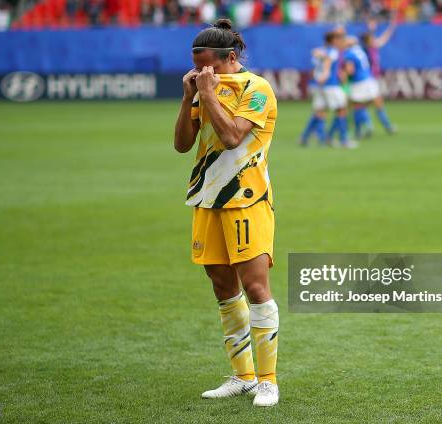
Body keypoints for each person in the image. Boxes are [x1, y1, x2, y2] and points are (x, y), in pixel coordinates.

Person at [173, 18, 280, 407]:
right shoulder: (205, 88)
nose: (202, 73)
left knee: (255, 288)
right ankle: (242, 376)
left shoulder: (257, 89)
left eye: (209, 66)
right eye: (197, 66)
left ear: (230, 57)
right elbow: (183, 145)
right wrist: (189, 99)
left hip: (248, 199)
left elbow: (234, 135)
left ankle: (268, 381)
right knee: (223, 290)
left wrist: (209, 94)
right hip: (207, 199)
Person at [300, 30, 355, 148]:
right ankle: (344, 140)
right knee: (341, 110)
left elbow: (313, 69)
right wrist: (325, 75)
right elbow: (328, 64)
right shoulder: (333, 52)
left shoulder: (320, 51)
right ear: (334, 40)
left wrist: (318, 78)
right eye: (339, 39)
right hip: (331, 85)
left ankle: (305, 138)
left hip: (319, 86)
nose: (341, 41)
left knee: (319, 112)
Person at [337, 34, 394, 139]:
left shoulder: (349, 54)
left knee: (356, 106)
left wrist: (342, 74)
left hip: (359, 82)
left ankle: (359, 130)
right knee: (378, 103)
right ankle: (388, 126)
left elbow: (350, 70)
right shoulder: (359, 50)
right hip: (369, 79)